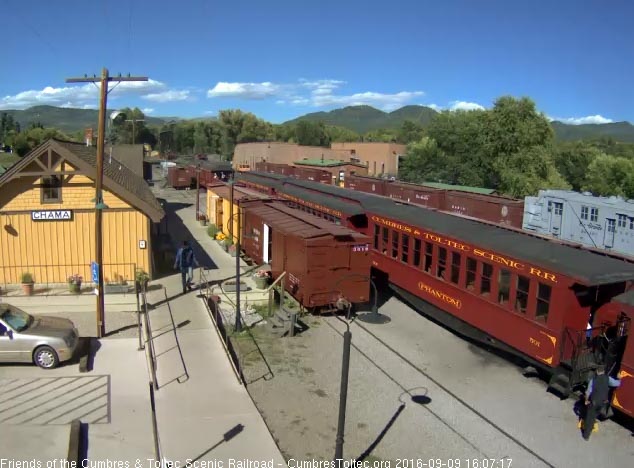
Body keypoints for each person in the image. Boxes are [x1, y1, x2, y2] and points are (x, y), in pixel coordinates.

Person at [581, 366, 621, 440]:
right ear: (603, 372)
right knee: (595, 415)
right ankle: (592, 424)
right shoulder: (608, 378)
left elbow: (588, 392)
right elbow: (617, 384)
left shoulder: (593, 380)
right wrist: (619, 378)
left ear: (597, 371)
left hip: (594, 402)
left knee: (589, 418)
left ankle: (586, 435)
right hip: (602, 403)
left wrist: (586, 400)